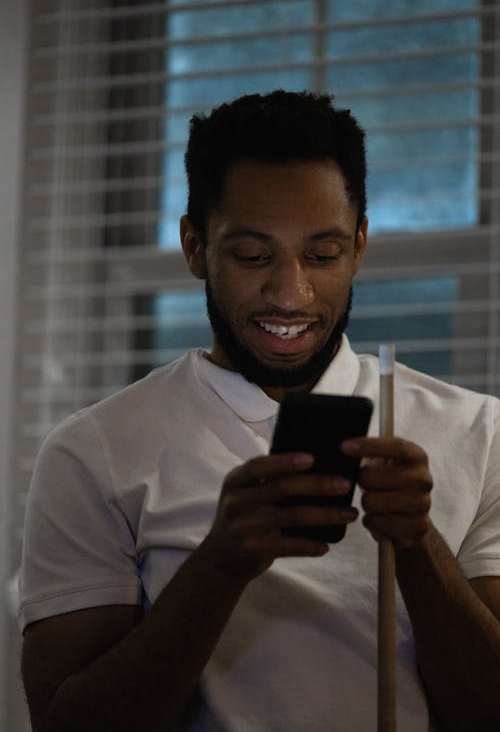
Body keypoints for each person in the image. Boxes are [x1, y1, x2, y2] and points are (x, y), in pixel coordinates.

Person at [19, 90, 500, 732]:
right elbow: (65, 723)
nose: (290, 293)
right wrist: (218, 567)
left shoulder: (480, 433)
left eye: (322, 255)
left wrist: (416, 544)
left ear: (358, 246)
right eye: (252, 255)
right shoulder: (94, 451)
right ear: (195, 246)